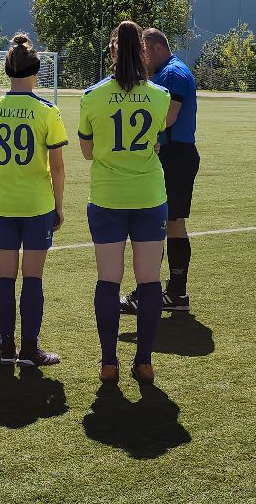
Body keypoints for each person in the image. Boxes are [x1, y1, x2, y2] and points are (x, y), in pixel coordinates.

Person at [78, 21, 173, 383]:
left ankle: (108, 363)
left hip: (107, 197)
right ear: (143, 53)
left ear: (113, 50)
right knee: (149, 282)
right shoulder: (160, 95)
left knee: (109, 281)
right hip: (149, 195)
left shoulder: (92, 96)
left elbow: (87, 153)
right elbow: (155, 139)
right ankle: (145, 362)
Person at [0, 35, 69, 366]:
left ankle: (7, 348)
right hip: (36, 205)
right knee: (32, 278)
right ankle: (30, 350)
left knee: (5, 278)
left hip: (3, 205)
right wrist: (58, 206)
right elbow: (57, 167)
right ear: (37, 71)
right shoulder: (47, 111)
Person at [125, 28, 198, 313]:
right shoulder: (170, 71)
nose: (141, 60)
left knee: (168, 223)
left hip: (175, 156)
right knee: (168, 222)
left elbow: (167, 119)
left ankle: (163, 293)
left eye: (143, 53)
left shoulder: (173, 74)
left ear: (155, 48)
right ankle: (169, 293)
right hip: (172, 154)